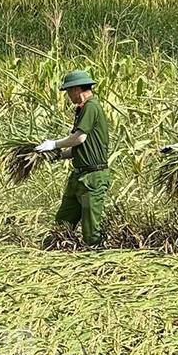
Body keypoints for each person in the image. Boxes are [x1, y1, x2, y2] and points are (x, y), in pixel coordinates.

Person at [34, 70, 109, 246]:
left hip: (93, 178)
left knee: (91, 232)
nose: (68, 96)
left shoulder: (91, 107)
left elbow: (79, 138)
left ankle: (98, 263)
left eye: (68, 92)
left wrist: (54, 144)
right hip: (79, 176)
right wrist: (57, 155)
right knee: (62, 223)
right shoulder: (82, 109)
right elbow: (80, 148)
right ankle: (56, 253)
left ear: (76, 89)